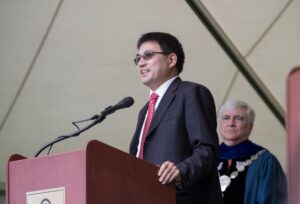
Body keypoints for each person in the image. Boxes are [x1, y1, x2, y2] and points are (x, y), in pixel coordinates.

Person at [129, 32, 223, 204]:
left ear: (171, 60)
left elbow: (207, 150)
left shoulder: (191, 93)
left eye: (148, 55)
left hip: (181, 198)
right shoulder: (145, 111)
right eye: (137, 59)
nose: (140, 63)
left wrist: (181, 171)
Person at [218, 99, 287, 204]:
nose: (231, 123)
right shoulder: (207, 158)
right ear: (219, 124)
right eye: (226, 118)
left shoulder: (264, 161)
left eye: (238, 118)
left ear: (250, 126)